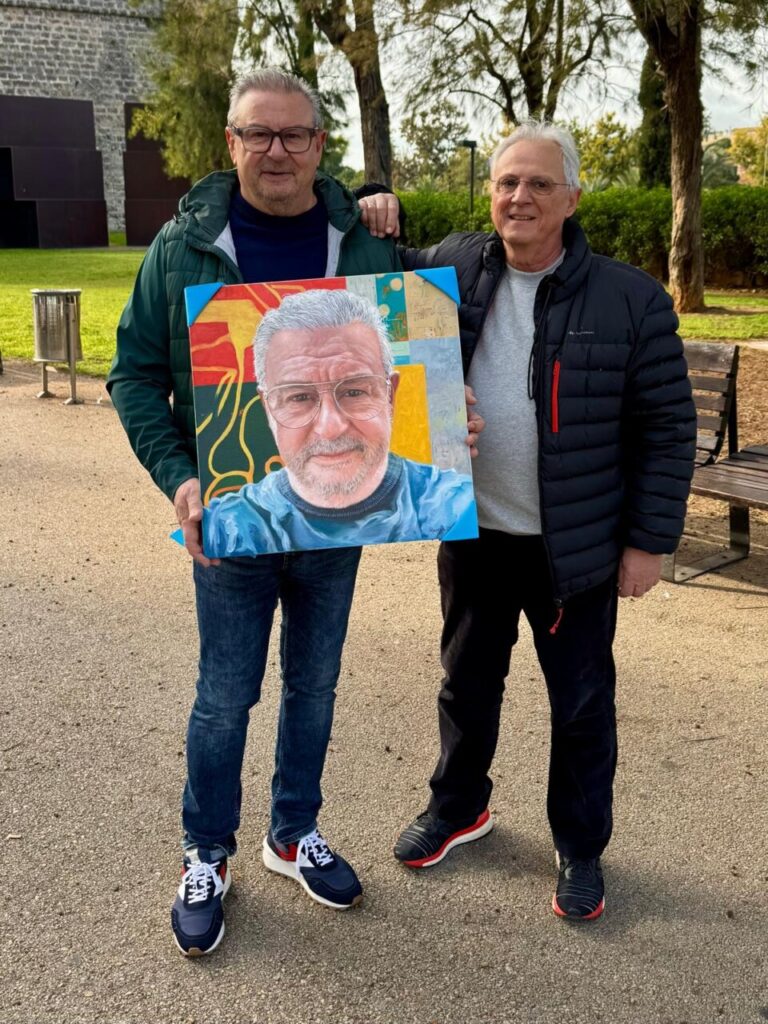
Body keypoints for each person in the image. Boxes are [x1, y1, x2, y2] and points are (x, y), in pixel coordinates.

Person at [359, 121, 696, 920]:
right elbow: (361, 291)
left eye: (540, 184)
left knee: (580, 704)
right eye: (508, 181)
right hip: (473, 532)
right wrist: (366, 200)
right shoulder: (450, 267)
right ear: (491, 192)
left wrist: (648, 542)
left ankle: (580, 845)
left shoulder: (630, 298)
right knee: (465, 683)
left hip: (572, 548)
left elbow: (668, 428)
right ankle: (458, 807)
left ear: (572, 198)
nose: (520, 197)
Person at [108, 68, 406, 958]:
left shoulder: (365, 244)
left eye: (295, 135)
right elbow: (133, 375)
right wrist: (180, 477)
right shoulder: (182, 248)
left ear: (321, 146)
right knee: (225, 697)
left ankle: (292, 833)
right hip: (234, 517)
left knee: (313, 687)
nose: (276, 151)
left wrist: (437, 429)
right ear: (230, 144)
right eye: (257, 135)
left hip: (337, 519)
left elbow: (406, 369)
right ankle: (208, 850)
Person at [204, 288, 476, 557]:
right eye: (299, 397)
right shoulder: (225, 526)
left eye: (354, 392)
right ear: (267, 407)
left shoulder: (453, 505)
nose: (330, 428)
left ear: (390, 395)